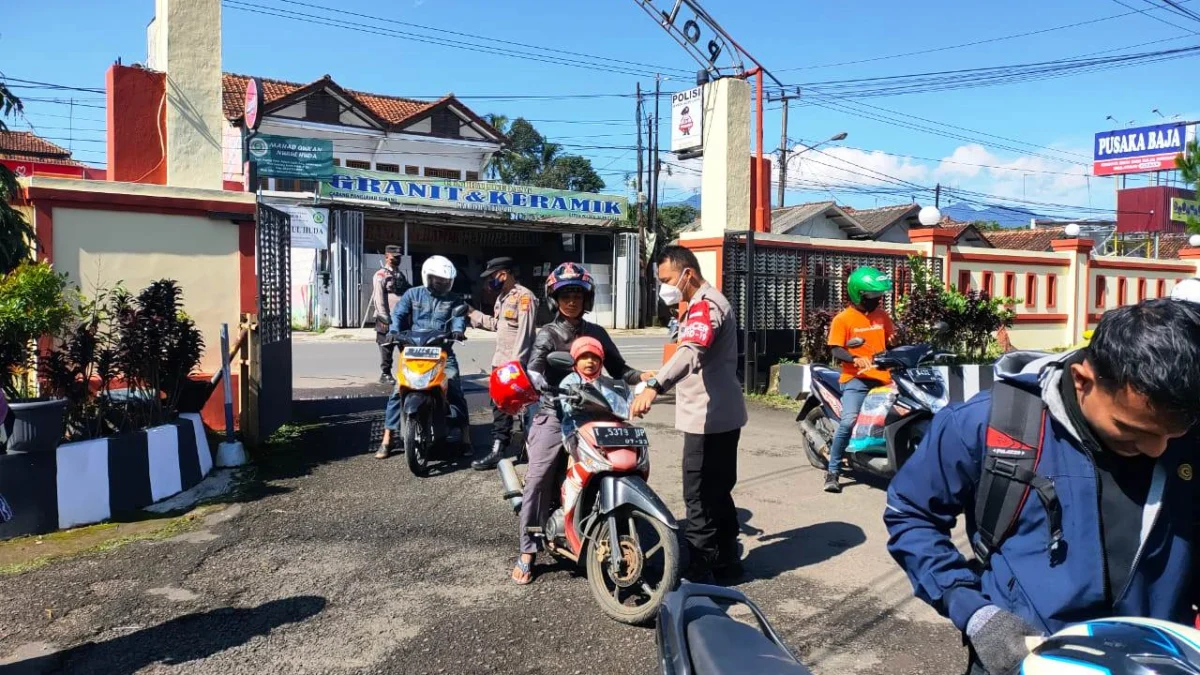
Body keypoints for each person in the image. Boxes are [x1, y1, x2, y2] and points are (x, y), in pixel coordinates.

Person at [885, 298, 1200, 675]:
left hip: (1159, 662)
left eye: (1173, 433)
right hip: (1026, 661)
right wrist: (973, 611)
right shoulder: (989, 426)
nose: (1157, 448)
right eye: (1132, 431)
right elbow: (911, 515)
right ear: (1083, 381)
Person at [512, 262, 648, 585]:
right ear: (554, 298)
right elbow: (533, 366)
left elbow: (620, 369)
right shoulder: (548, 333)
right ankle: (528, 549)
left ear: (586, 298)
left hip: (593, 413)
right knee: (538, 477)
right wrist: (537, 381)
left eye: (577, 294)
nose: (571, 300)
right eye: (564, 294)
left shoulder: (596, 334)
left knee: (622, 459)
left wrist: (645, 378)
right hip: (554, 413)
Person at [631, 245, 747, 583]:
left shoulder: (704, 306)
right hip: (723, 414)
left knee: (697, 494)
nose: (664, 286)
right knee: (717, 491)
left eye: (666, 279)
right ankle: (727, 564)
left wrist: (655, 385)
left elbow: (690, 351)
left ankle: (698, 568)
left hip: (707, 419)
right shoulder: (704, 303)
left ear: (688, 274)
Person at [377, 255, 470, 459]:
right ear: (427, 277)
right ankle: (388, 438)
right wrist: (393, 331)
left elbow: (458, 318)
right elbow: (399, 315)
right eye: (438, 280)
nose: (442, 284)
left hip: (442, 351)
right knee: (397, 390)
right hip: (414, 349)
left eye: (446, 281)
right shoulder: (412, 294)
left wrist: (457, 330)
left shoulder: (454, 299)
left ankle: (465, 436)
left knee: (454, 387)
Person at [822, 266, 895, 494]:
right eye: (871, 296)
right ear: (857, 294)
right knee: (848, 421)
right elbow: (835, 349)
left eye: (879, 296)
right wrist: (855, 358)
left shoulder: (882, 316)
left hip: (883, 377)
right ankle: (833, 471)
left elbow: (890, 343)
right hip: (856, 379)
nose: (876, 300)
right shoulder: (843, 320)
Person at [468, 257, 539, 471]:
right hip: (500, 362)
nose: (490, 282)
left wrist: (515, 367)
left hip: (514, 365)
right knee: (499, 406)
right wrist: (472, 313)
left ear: (504, 274)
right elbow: (498, 326)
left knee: (524, 407)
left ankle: (530, 448)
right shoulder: (502, 297)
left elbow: (525, 334)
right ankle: (499, 449)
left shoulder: (524, 297)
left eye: (492, 277)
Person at [372, 245, 412, 385]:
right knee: (386, 346)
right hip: (387, 317)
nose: (397, 259)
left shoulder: (400, 274)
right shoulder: (381, 275)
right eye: (395, 257)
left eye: (399, 257)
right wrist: (383, 316)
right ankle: (385, 374)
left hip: (402, 318)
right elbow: (378, 297)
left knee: (406, 346)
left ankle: (408, 372)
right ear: (387, 256)